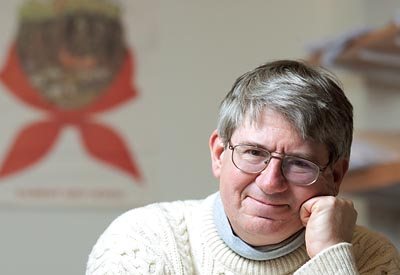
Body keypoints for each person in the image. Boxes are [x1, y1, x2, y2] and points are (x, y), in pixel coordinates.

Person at [86, 60, 400, 274]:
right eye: (253, 152)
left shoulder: (369, 256)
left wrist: (329, 256)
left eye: (299, 164)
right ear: (219, 153)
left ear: (335, 175)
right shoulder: (142, 238)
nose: (270, 182)